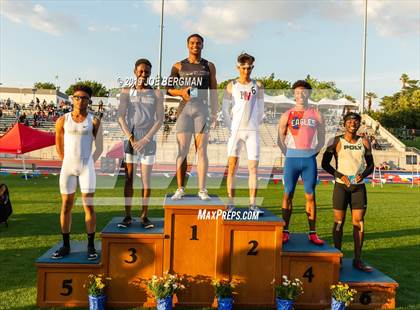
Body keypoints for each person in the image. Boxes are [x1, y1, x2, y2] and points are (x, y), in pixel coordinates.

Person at [52, 85, 103, 260]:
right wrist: (66, 162)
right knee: (66, 205)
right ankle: (65, 245)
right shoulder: (62, 120)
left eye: (84, 98)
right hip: (68, 167)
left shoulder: (94, 121)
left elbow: (100, 147)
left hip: (86, 167)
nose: (80, 100)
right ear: (72, 99)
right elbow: (58, 145)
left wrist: (89, 162)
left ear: (89, 100)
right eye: (77, 97)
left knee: (89, 206)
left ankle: (90, 246)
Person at [167, 34, 218, 201]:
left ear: (203, 45)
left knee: (201, 150)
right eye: (192, 43)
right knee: (182, 150)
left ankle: (202, 189)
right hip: (184, 110)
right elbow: (168, 88)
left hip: (202, 110)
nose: (195, 45)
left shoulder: (209, 65)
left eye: (198, 43)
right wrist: (181, 92)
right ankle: (180, 188)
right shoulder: (178, 65)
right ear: (187, 45)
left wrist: (215, 112)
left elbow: (213, 91)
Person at [322, 112, 374, 272]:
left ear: (359, 124)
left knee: (358, 222)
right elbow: (325, 164)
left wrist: (363, 175)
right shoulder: (336, 141)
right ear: (344, 123)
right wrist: (340, 176)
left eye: (356, 121)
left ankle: (358, 260)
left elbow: (371, 165)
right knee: (339, 222)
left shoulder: (364, 142)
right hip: (341, 187)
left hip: (358, 187)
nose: (353, 123)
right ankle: (338, 258)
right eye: (350, 121)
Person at [117, 58, 164, 229]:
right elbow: (121, 116)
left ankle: (144, 216)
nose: (144, 74)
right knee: (129, 179)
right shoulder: (126, 91)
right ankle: (127, 216)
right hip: (131, 138)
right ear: (135, 71)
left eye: (147, 72)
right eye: (141, 71)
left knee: (146, 179)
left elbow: (160, 119)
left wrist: (145, 139)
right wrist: (131, 137)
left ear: (150, 74)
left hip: (148, 139)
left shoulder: (157, 93)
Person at [277, 80, 325, 245]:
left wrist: (310, 155)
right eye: (297, 92)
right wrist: (290, 154)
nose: (300, 95)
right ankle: (285, 231)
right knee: (287, 193)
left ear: (309, 94)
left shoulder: (317, 114)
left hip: (309, 160)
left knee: (310, 196)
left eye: (303, 92)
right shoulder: (287, 115)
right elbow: (280, 139)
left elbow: (321, 141)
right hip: (291, 159)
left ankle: (312, 233)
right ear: (294, 94)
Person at [222, 53, 264, 214]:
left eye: (249, 67)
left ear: (252, 67)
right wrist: (230, 126)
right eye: (243, 67)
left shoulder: (258, 85)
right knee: (232, 167)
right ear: (238, 67)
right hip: (236, 131)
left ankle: (253, 204)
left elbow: (261, 109)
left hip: (252, 131)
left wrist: (255, 123)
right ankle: (231, 203)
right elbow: (225, 109)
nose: (246, 70)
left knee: (253, 168)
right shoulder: (231, 86)